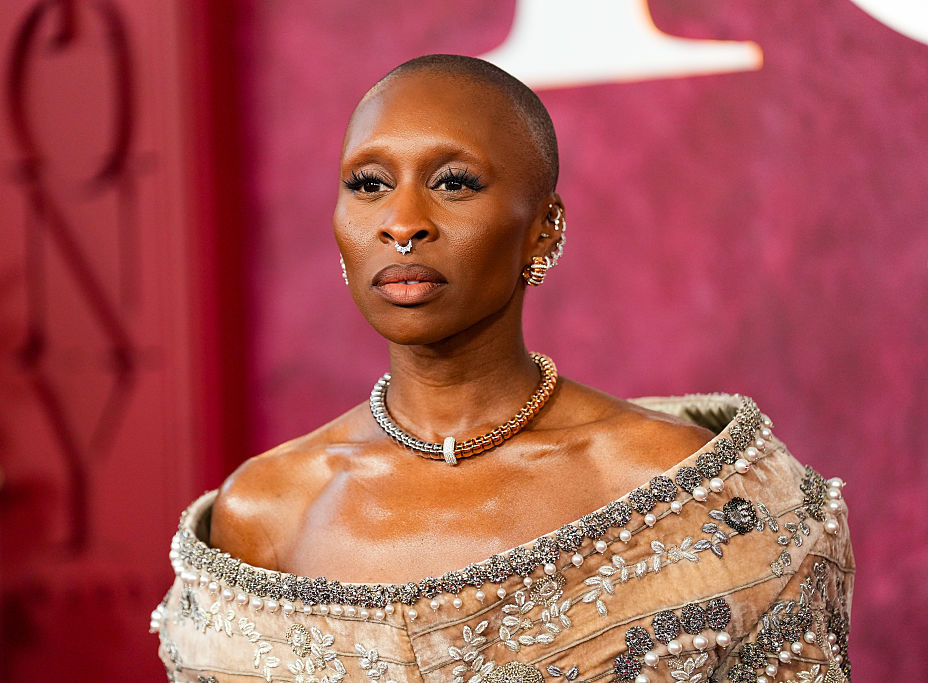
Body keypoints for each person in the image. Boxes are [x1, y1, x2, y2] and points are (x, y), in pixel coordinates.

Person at [151, 55, 854, 683]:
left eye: (453, 183)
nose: (402, 221)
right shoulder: (265, 511)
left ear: (543, 227)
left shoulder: (686, 489)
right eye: (368, 184)